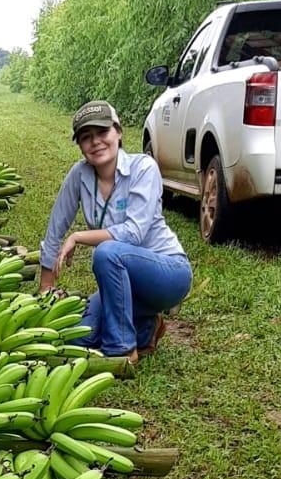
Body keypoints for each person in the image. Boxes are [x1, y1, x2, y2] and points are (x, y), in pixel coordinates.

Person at [39, 100, 192, 363]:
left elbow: (133, 234)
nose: (95, 142)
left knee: (108, 252)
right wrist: (46, 286)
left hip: (167, 273)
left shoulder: (143, 168)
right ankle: (146, 327)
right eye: (86, 137)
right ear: (79, 145)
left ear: (118, 132)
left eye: (102, 132)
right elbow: (55, 228)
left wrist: (78, 237)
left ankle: (121, 350)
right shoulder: (80, 175)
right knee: (77, 337)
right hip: (119, 284)